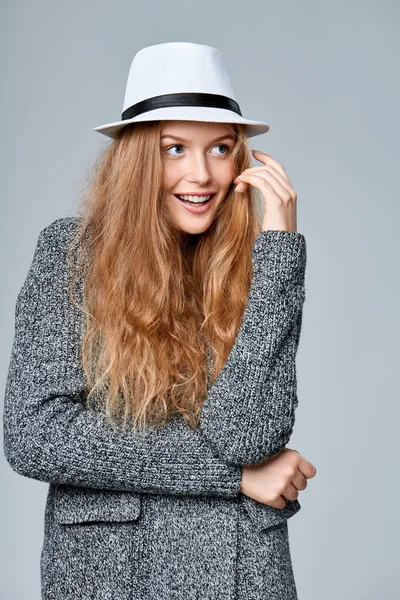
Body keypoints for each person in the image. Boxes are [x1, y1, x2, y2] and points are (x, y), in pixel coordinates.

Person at [3, 41, 317, 600]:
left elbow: (249, 436)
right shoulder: (72, 253)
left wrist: (280, 253)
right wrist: (231, 478)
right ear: (138, 157)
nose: (201, 174)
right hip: (116, 570)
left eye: (220, 148)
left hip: (244, 570)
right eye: (175, 148)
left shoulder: (263, 265)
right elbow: (35, 435)